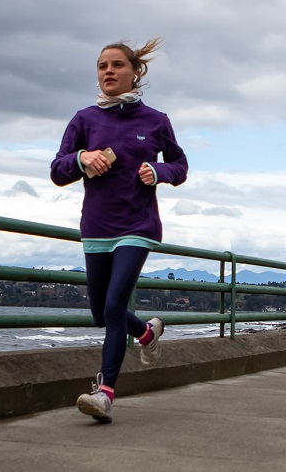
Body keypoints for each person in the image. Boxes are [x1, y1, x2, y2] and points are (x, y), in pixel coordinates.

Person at [50, 38, 188, 423]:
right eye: (101, 66)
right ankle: (147, 333)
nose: (108, 71)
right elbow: (57, 170)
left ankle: (105, 392)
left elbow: (180, 165)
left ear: (135, 72)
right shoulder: (84, 119)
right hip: (96, 226)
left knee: (114, 306)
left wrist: (159, 171)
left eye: (116, 65)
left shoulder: (156, 121)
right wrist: (80, 158)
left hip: (137, 224)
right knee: (100, 312)